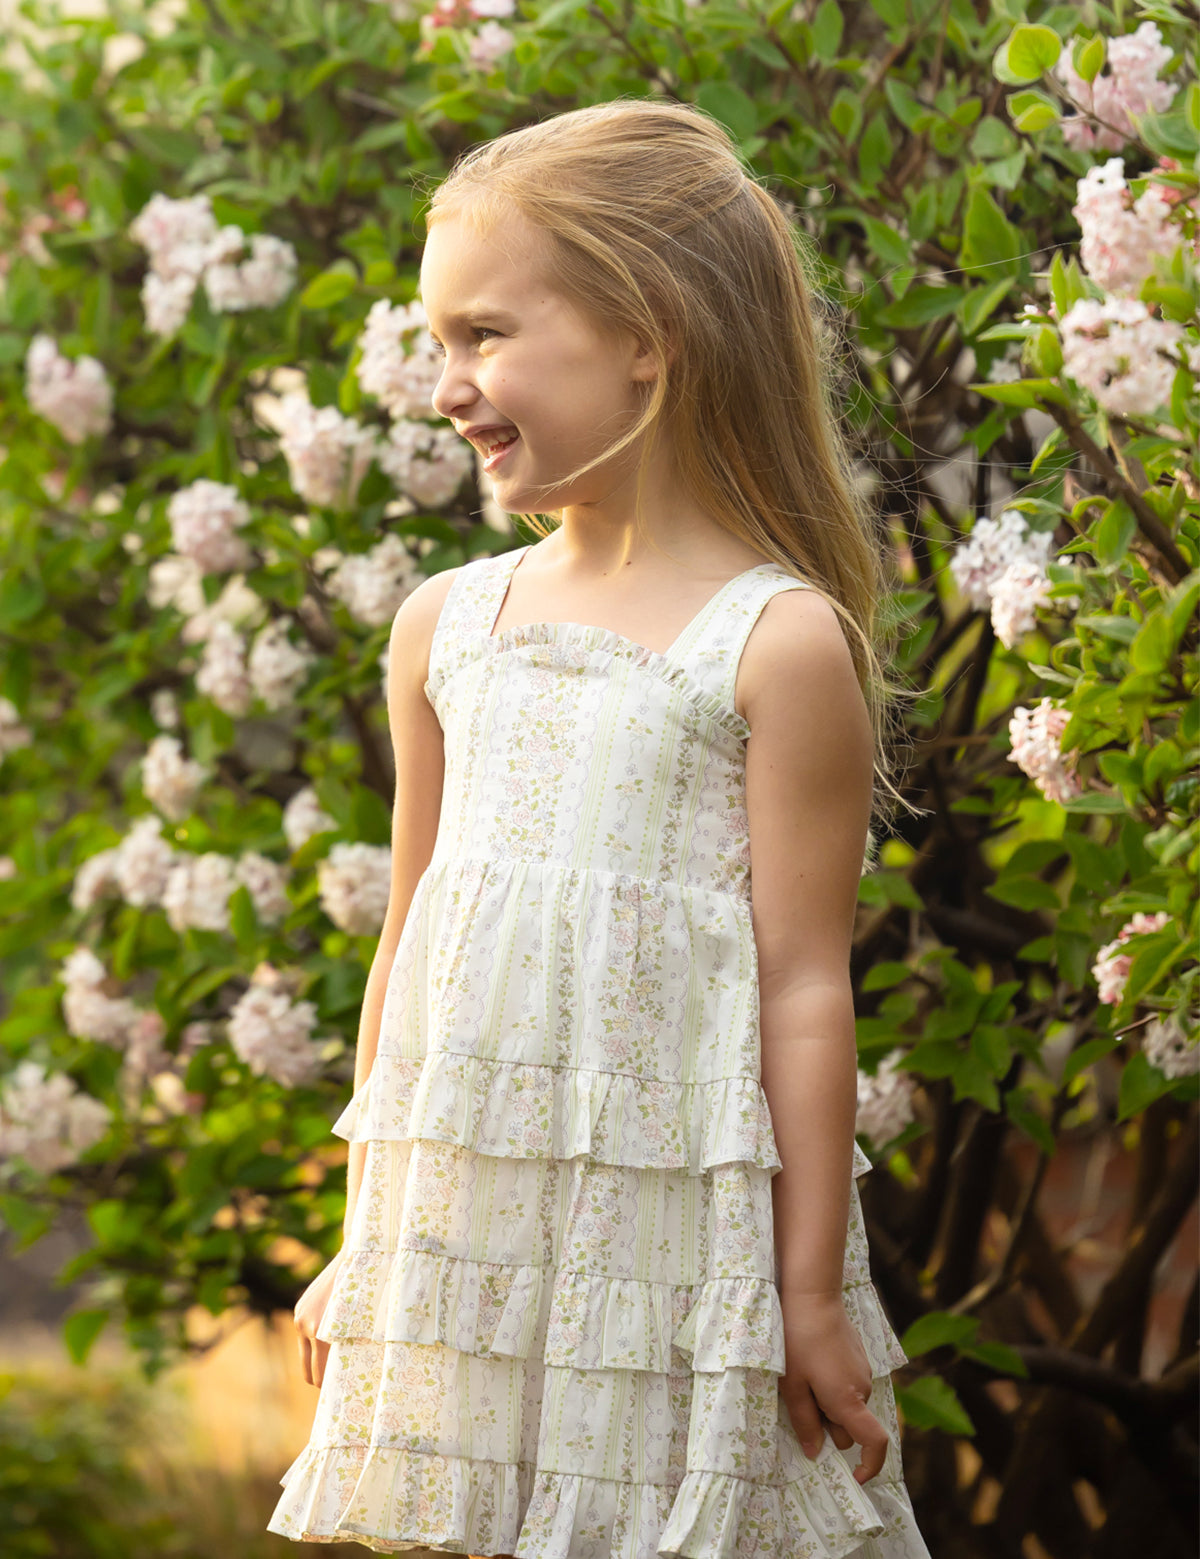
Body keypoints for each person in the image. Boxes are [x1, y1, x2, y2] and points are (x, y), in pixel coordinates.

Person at [269, 98, 930, 1558]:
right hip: (478, 1235)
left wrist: (805, 1295)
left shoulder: (774, 644)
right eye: (439, 342)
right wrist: (369, 1233)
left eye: (485, 333)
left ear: (648, 332)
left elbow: (805, 986)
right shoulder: (446, 626)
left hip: (682, 1264)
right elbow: (415, 941)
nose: (447, 383)